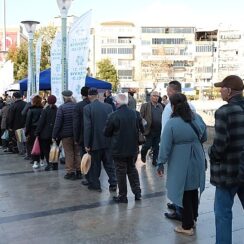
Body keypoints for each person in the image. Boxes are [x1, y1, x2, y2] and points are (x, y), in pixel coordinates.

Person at [157, 93, 206, 236]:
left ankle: (187, 226)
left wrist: (160, 163)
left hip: (180, 158)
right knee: (192, 190)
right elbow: (204, 137)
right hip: (197, 156)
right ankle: (193, 219)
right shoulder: (197, 118)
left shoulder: (172, 123)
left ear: (172, 105)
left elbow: (165, 145)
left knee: (182, 190)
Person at [208, 75, 244, 244]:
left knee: (223, 214)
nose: (220, 91)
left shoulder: (224, 112)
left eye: (221, 88)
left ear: (229, 91)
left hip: (227, 173)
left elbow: (219, 146)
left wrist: (211, 153)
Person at [161, 80, 196, 221]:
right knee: (186, 182)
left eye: (169, 91)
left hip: (175, 149)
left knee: (176, 181)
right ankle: (178, 206)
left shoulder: (170, 108)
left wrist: (162, 156)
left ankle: (180, 211)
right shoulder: (191, 106)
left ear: (174, 91)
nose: (167, 93)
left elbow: (166, 131)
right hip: (190, 150)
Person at [104, 93, 142, 203]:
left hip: (118, 149)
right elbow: (142, 128)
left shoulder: (113, 116)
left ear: (117, 103)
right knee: (132, 169)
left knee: (120, 172)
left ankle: (122, 196)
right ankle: (137, 192)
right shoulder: (136, 114)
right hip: (133, 148)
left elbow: (106, 132)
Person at [83, 87, 117, 192]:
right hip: (108, 141)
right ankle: (113, 183)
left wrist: (87, 144)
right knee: (109, 164)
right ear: (97, 95)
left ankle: (96, 185)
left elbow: (88, 127)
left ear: (89, 96)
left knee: (95, 165)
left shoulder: (87, 108)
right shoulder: (108, 107)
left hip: (95, 142)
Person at [52, 90, 81, 180]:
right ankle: (79, 171)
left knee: (69, 153)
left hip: (66, 135)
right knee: (77, 153)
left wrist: (54, 135)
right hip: (77, 134)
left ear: (64, 97)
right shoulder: (77, 106)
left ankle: (70, 172)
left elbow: (58, 123)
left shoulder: (61, 108)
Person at [140, 90, 163, 166]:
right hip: (149, 130)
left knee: (156, 147)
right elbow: (140, 117)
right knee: (147, 145)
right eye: (154, 96)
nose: (156, 97)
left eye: (157, 96)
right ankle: (143, 154)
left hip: (158, 130)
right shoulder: (145, 106)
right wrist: (144, 123)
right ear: (150, 97)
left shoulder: (160, 106)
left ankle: (154, 161)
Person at [73, 86, 90, 184]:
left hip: (82, 137)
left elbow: (76, 124)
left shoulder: (78, 106)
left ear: (81, 94)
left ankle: (88, 178)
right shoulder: (95, 104)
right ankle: (93, 178)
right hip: (95, 137)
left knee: (84, 158)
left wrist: (76, 138)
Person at [35, 95, 58, 171]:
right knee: (55, 149)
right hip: (55, 134)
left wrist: (37, 132)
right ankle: (55, 165)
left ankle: (49, 164)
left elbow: (41, 123)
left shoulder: (45, 110)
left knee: (46, 150)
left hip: (45, 134)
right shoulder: (57, 110)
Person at [25, 95, 43, 169]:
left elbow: (28, 122)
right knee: (42, 145)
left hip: (33, 130)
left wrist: (27, 132)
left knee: (33, 146)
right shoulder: (43, 109)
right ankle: (42, 160)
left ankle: (35, 162)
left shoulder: (31, 110)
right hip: (42, 130)